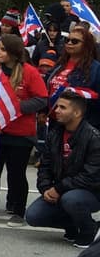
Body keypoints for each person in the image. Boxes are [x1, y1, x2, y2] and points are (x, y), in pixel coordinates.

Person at [0, 33, 48, 224]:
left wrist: (15, 108)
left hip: (21, 134)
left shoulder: (29, 72)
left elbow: (42, 99)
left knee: (16, 174)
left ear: (13, 53)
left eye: (2, 49)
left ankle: (18, 211)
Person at [26, 89, 100, 246]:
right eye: (57, 106)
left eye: (62, 107)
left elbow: (90, 175)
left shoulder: (94, 138)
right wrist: (46, 189)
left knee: (71, 200)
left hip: (91, 192)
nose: (56, 110)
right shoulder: (54, 134)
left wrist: (59, 189)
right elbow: (45, 166)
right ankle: (72, 226)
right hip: (62, 190)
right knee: (33, 216)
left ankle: (89, 231)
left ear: (77, 113)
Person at [46, 25, 100, 128]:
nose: (69, 43)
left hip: (81, 125)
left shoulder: (95, 69)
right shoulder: (59, 65)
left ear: (86, 45)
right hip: (55, 122)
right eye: (67, 40)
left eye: (75, 41)